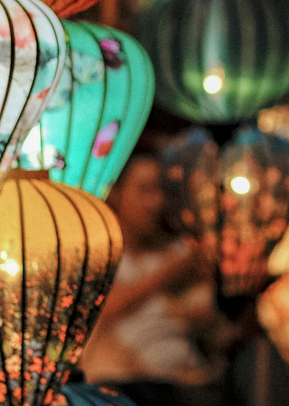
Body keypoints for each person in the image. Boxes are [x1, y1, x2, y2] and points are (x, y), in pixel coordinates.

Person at [79, 150, 222, 406]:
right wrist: (169, 273)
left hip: (186, 380)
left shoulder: (179, 252)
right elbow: (106, 306)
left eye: (162, 191)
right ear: (115, 193)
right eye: (145, 190)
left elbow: (210, 317)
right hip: (123, 384)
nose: (156, 202)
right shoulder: (96, 255)